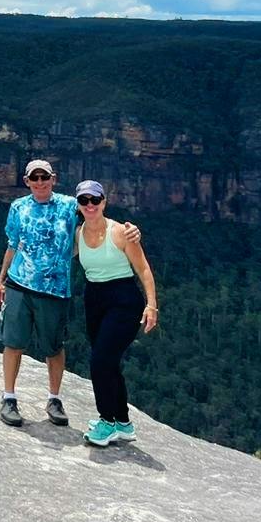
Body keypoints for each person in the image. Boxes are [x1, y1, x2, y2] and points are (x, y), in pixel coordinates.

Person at [0, 159, 137, 428]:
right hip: (18, 285)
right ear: (26, 181)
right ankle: (9, 397)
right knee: (13, 342)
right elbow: (12, 246)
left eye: (44, 177)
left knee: (54, 347)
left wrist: (129, 230)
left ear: (54, 178)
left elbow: (97, 216)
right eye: (34, 178)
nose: (39, 182)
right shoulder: (18, 208)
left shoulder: (70, 206)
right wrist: (0, 281)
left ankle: (55, 398)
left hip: (55, 290)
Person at [72, 179, 158, 445]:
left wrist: (151, 304)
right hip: (94, 298)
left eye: (94, 200)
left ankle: (106, 421)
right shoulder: (77, 234)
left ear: (104, 203)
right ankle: (123, 422)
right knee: (109, 362)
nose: (90, 205)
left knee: (100, 362)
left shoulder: (121, 232)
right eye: (84, 201)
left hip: (123, 299)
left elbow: (143, 269)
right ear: (78, 204)